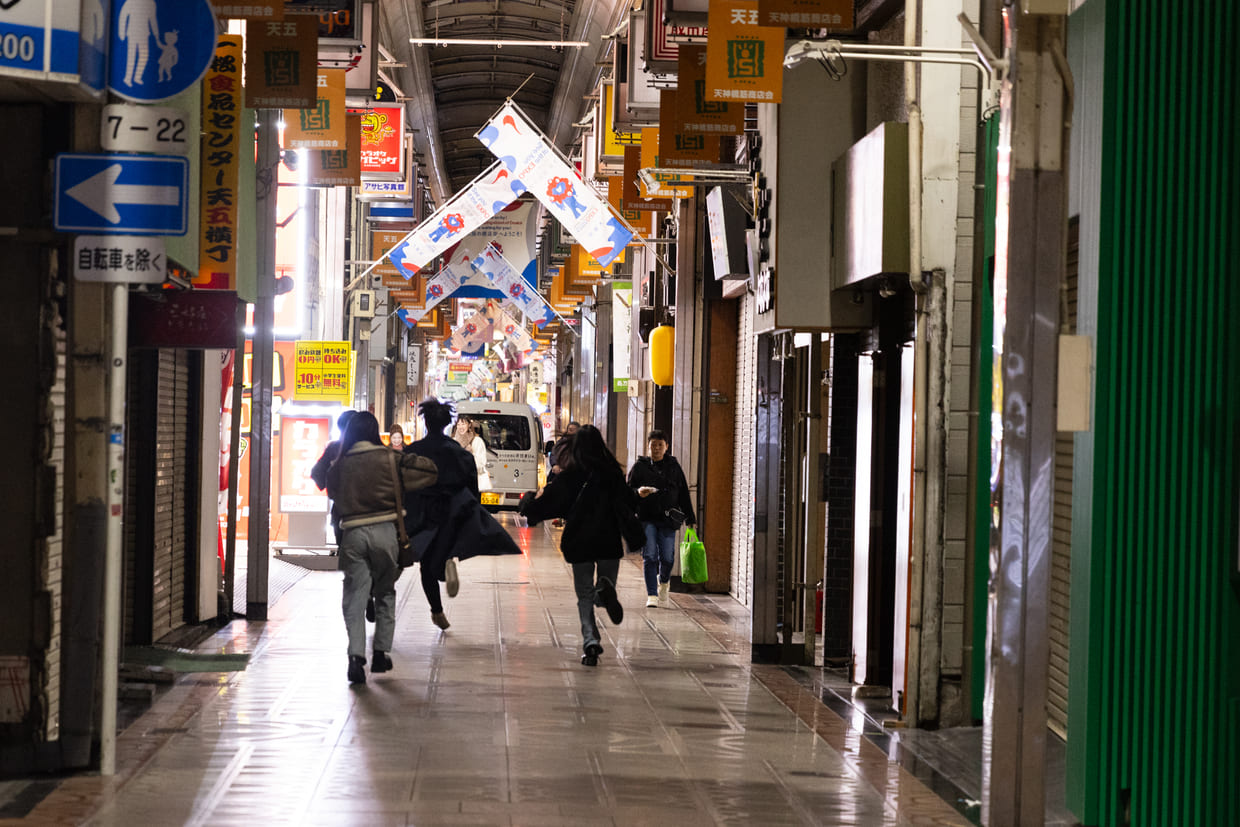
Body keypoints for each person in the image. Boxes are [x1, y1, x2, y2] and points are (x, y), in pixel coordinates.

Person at [325, 411, 437, 684]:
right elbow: (429, 472)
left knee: (355, 596)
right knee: (385, 593)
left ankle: (355, 656)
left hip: (352, 534)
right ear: (377, 432)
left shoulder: (339, 463)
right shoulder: (391, 459)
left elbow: (331, 492)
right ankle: (380, 653)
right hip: (386, 533)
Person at [404, 399, 522, 630]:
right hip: (451, 511)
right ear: (448, 423)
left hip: (422, 512)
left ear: (426, 422)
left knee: (425, 563)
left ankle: (437, 610)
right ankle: (446, 564)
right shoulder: (457, 452)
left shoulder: (414, 450)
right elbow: (471, 487)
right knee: (444, 548)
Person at [520, 425, 632, 667]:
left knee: (584, 595)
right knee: (604, 586)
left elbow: (548, 505)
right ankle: (604, 591)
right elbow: (628, 503)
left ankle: (591, 642)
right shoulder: (612, 473)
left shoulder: (570, 477)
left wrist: (530, 503)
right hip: (608, 541)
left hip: (580, 541)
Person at [627, 429, 696, 608]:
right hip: (646, 517)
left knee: (667, 558)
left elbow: (683, 493)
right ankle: (651, 594)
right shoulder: (640, 466)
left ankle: (664, 581)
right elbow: (627, 492)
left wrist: (690, 517)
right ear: (648, 446)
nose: (656, 449)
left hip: (667, 519)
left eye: (660, 445)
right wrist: (637, 493)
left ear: (666, 447)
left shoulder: (673, 467)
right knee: (650, 555)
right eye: (653, 445)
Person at [310, 409, 357, 548]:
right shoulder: (371, 449)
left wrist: (332, 488)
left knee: (344, 553)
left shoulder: (335, 448)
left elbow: (317, 472)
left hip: (341, 510)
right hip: (368, 513)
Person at [454, 417, 491, 490]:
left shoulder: (477, 441)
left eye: (463, 424)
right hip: (457, 484)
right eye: (458, 424)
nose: (461, 427)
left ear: (469, 425)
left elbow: (481, 464)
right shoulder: (454, 441)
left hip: (473, 483)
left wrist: (470, 454)